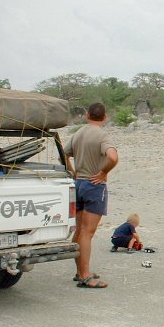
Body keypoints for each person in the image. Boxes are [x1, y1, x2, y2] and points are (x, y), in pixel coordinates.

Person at [64, 102, 118, 288]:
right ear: (105, 117)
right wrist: (103, 172)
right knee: (88, 232)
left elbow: (63, 154)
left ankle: (80, 271)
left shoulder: (78, 133)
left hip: (78, 184)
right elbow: (113, 157)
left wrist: (73, 172)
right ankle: (86, 275)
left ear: (87, 115)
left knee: (79, 230)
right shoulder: (103, 136)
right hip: (94, 185)